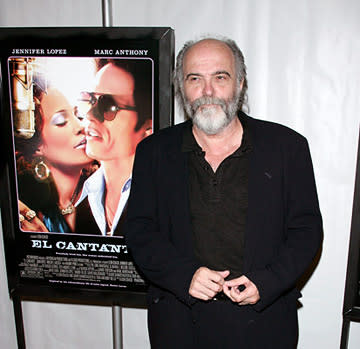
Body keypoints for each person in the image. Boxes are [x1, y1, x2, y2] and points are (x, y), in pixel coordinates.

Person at [125, 37, 323, 348]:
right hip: (179, 327)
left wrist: (267, 282)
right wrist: (184, 275)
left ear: (240, 83)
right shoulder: (153, 152)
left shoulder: (287, 148)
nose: (207, 91)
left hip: (265, 325)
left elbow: (306, 230)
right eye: (194, 79)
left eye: (220, 77)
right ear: (181, 87)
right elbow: (139, 230)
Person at [75, 59, 152, 236]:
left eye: (108, 105)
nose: (90, 115)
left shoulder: (161, 202)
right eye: (91, 100)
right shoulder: (84, 202)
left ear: (148, 127)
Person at [16, 80, 93, 233]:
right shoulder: (24, 206)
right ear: (37, 146)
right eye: (61, 121)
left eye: (77, 115)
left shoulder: (104, 191)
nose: (80, 126)